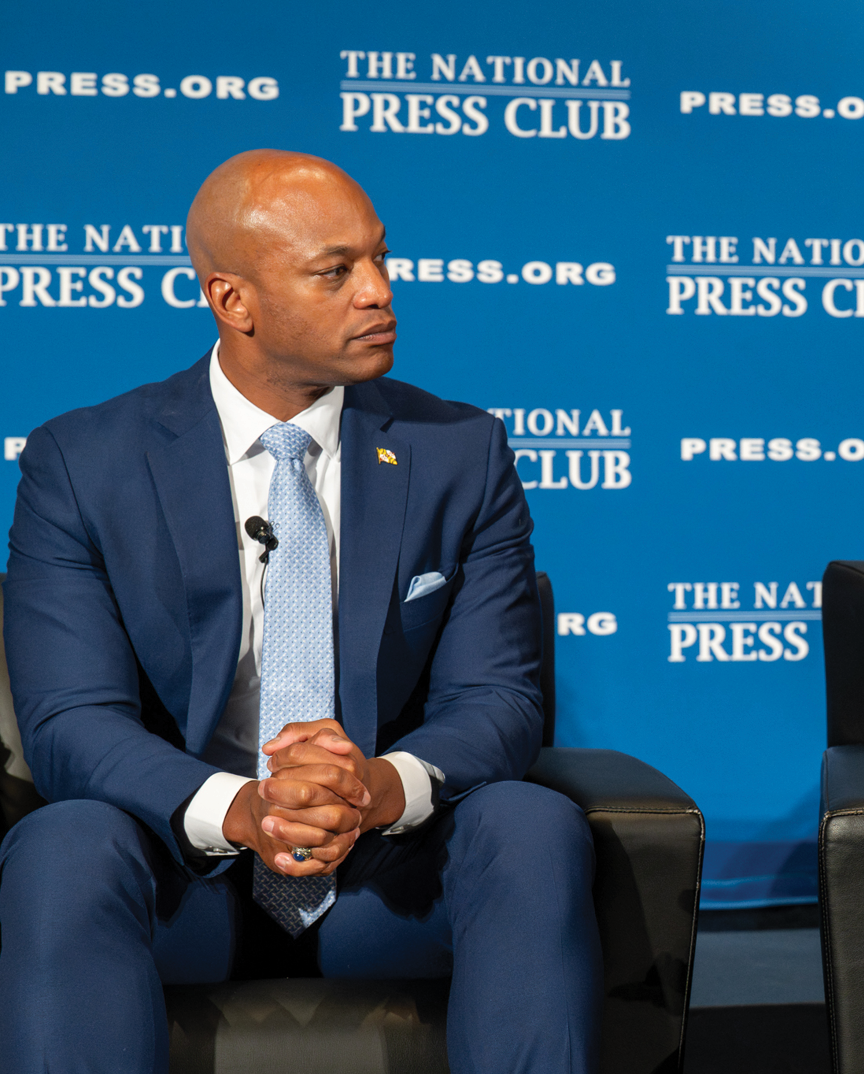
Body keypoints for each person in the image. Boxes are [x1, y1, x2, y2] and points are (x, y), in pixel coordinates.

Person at [0, 150, 600, 1072]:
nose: (379, 291)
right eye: (334, 271)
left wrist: (378, 788)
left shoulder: (460, 453)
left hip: (387, 884)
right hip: (180, 880)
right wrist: (243, 809)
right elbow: (70, 720)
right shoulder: (82, 463)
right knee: (63, 844)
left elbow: (499, 700)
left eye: (380, 258)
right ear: (232, 301)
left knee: (528, 824)